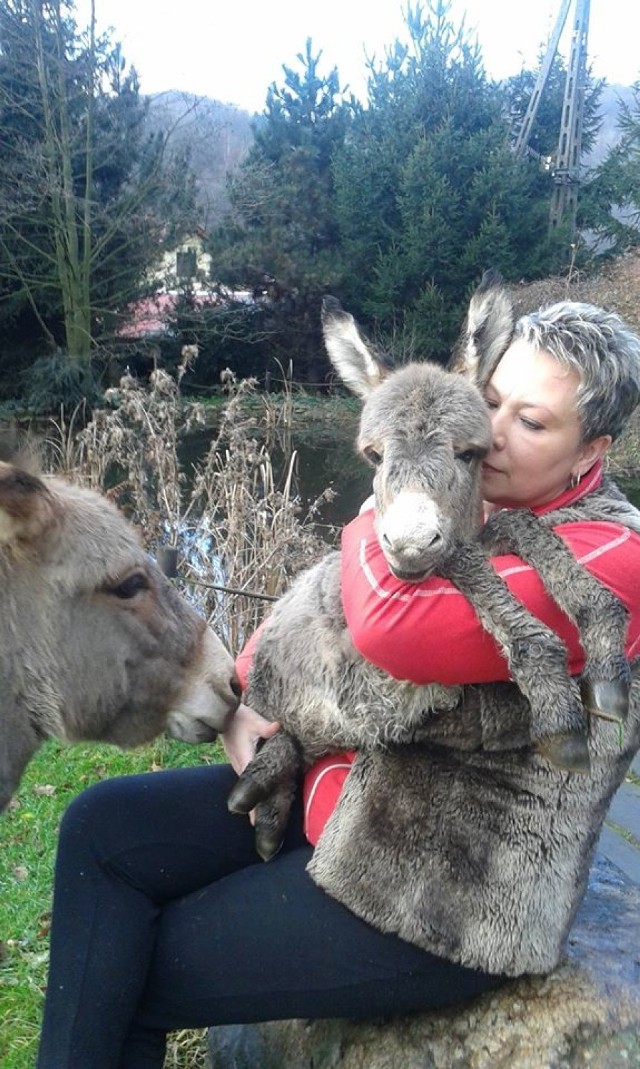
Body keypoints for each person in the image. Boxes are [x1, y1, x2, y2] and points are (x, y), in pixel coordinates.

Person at [37, 299, 640, 1069]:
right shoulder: (471, 496)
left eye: (533, 422)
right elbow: (325, 598)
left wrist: (377, 493)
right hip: (353, 801)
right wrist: (244, 692)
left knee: (136, 966)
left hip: (444, 893)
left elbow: (392, 631)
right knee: (99, 826)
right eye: (492, 400)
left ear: (593, 448)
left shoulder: (611, 557)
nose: (491, 431)